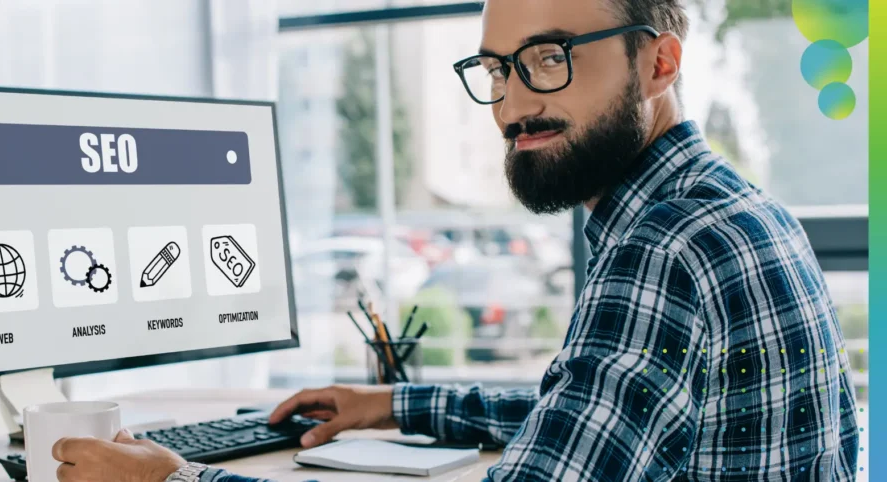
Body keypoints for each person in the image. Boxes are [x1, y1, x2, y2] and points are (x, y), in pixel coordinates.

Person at [52, 0, 861, 480]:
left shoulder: (662, 246)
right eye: (498, 68)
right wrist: (396, 404)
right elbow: (599, 413)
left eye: (550, 57)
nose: (511, 105)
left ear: (658, 62)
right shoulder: (734, 208)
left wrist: (172, 479)